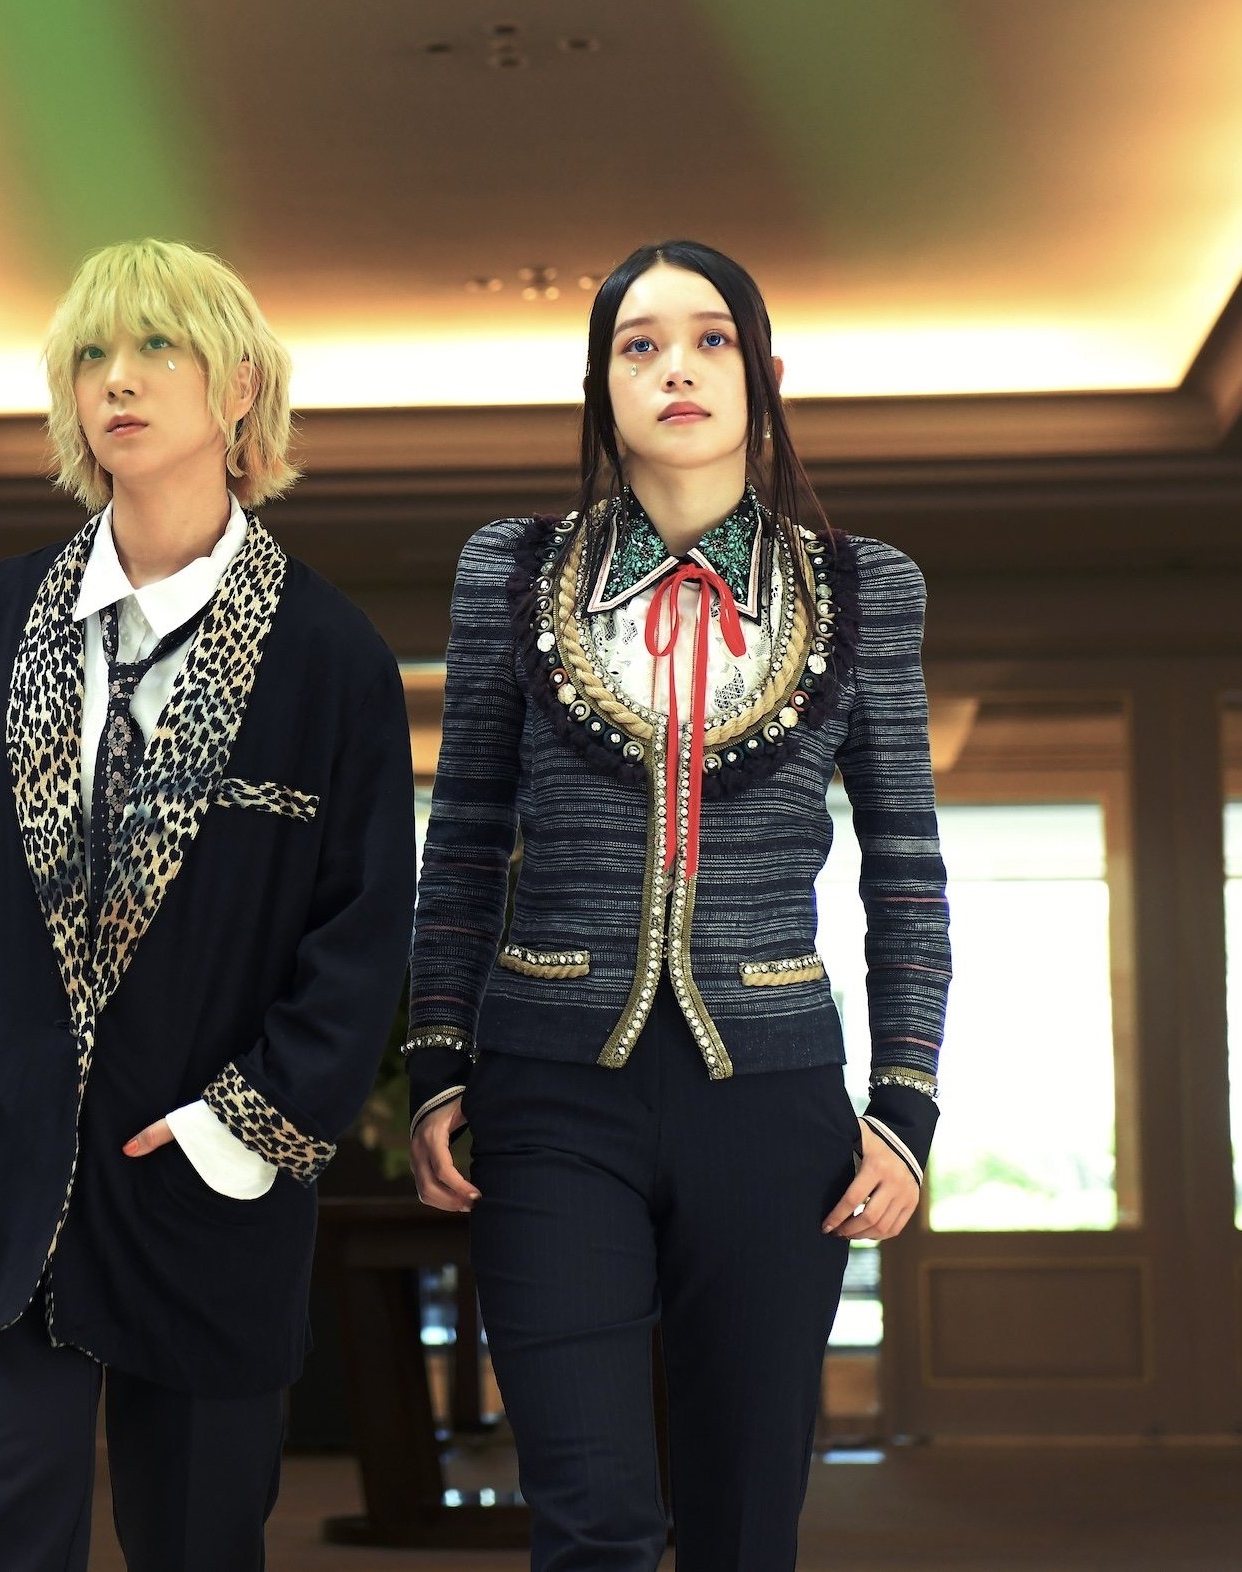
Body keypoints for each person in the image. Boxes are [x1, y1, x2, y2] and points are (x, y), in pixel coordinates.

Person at [0, 237, 416, 1572]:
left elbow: (359, 940)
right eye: (92, 356)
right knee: (2, 1525)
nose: (119, 379)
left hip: (207, 1190)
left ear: (240, 387)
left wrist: (238, 1128)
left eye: (157, 346)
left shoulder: (329, 656)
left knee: (199, 1540)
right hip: (1, 1172)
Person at [403, 240, 950, 1572]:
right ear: (603, 388)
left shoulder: (863, 586)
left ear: (765, 375)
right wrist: (436, 1065)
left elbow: (904, 862)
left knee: (744, 1524)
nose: (676, 370)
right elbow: (463, 837)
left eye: (710, 340)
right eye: (638, 347)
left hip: (772, 1098)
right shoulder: (511, 571)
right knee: (589, 1518)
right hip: (550, 1089)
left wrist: (906, 1105)